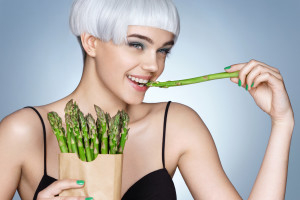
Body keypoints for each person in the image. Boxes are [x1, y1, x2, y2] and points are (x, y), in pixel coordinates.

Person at [0, 0, 295, 199]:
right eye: (137, 44)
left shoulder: (176, 124)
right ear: (91, 42)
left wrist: (282, 123)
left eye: (163, 50)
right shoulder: (24, 132)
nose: (153, 65)